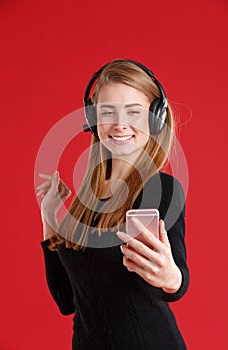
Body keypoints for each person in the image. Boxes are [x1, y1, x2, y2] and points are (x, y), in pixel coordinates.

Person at [36, 59, 189, 349]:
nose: (120, 124)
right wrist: (49, 217)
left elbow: (176, 281)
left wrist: (170, 276)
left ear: (154, 118)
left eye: (134, 112)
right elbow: (66, 300)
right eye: (108, 112)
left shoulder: (162, 189)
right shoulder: (86, 200)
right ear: (93, 119)